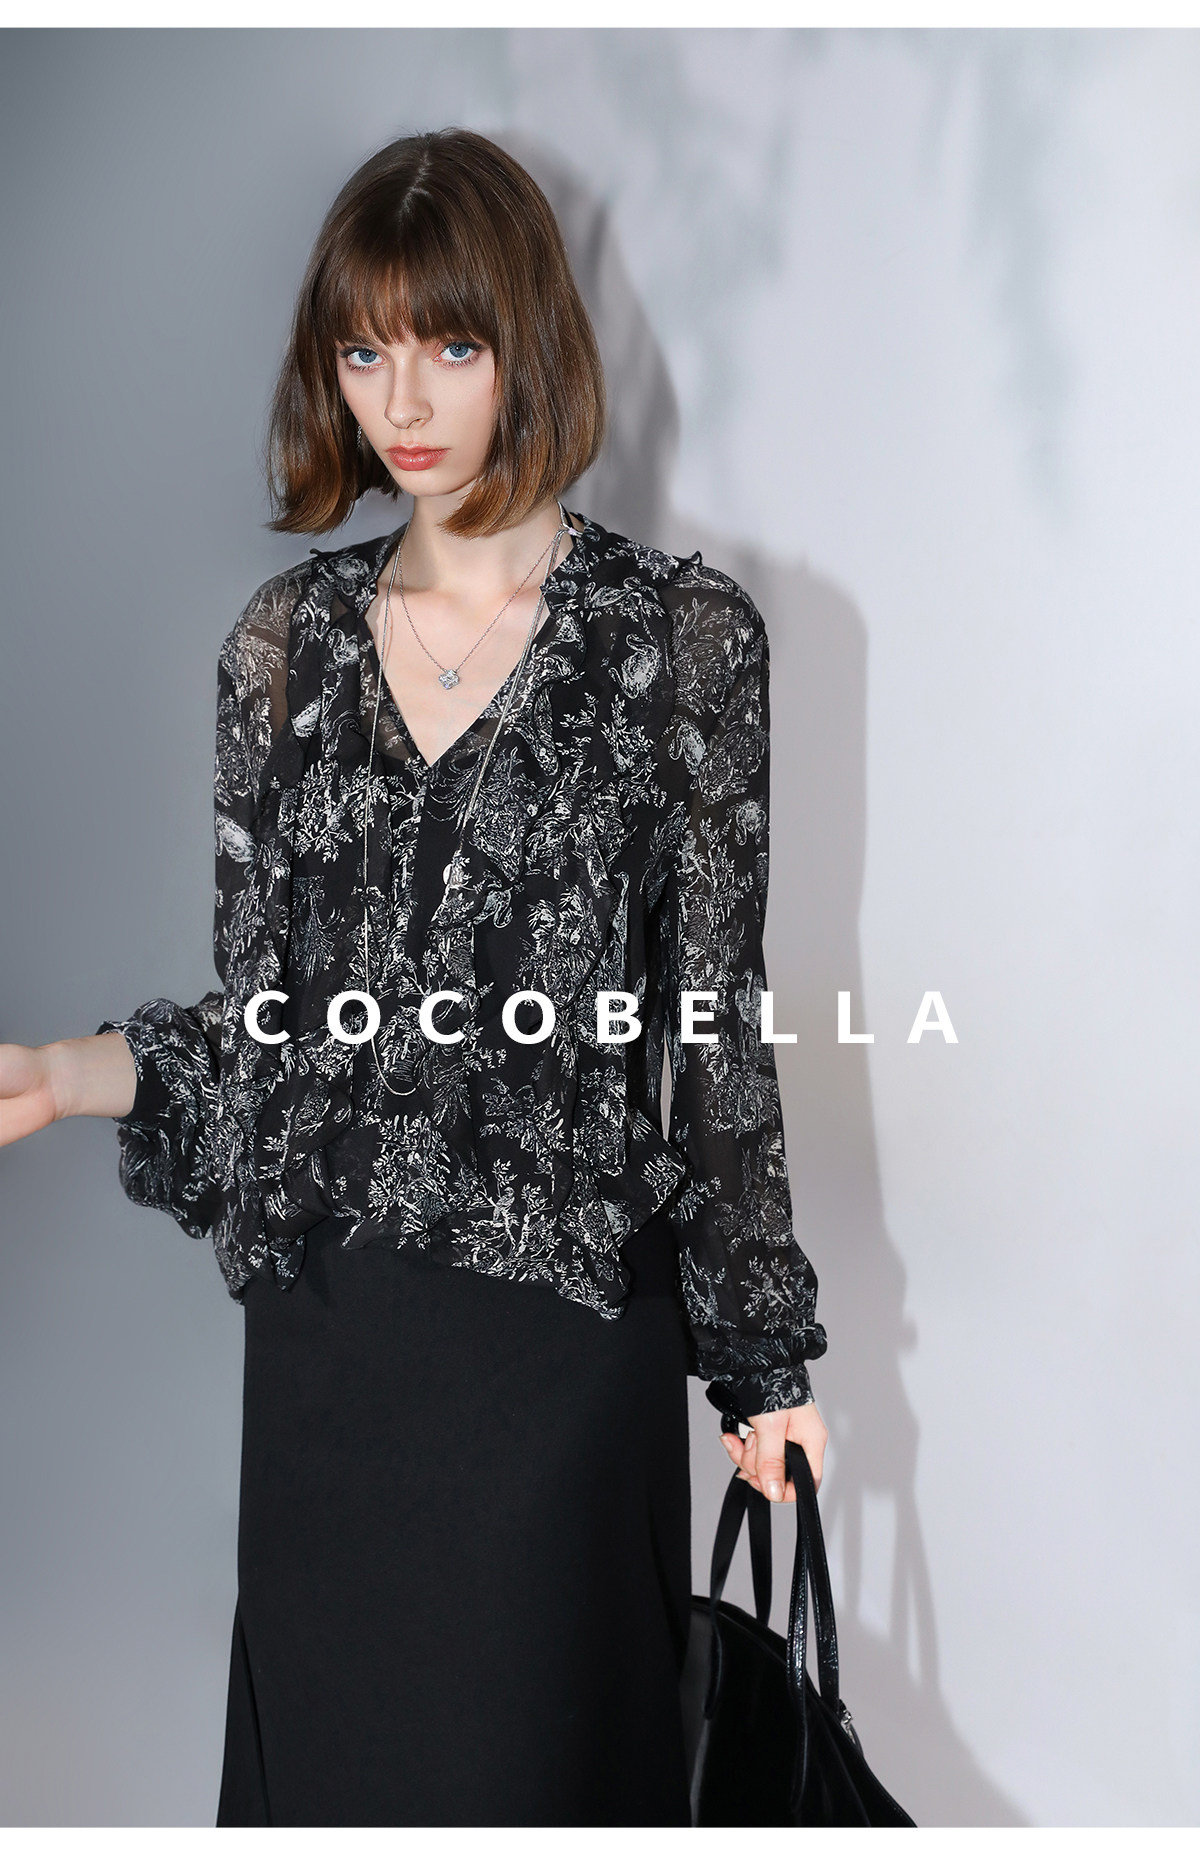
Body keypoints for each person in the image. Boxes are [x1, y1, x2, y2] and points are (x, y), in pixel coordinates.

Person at [0, 128, 829, 1827]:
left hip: (564, 1361)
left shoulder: (678, 643)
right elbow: (280, 1038)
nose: (405, 399)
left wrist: (765, 1369)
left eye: (449, 342)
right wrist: (73, 1074)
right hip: (338, 1353)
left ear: (528, 341)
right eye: (363, 350)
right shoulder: (282, 650)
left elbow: (712, 1036)